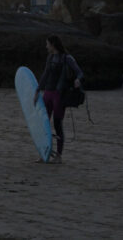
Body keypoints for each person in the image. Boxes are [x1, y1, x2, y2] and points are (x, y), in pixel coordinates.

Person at [33, 35, 83, 164]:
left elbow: (79, 72)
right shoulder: (50, 58)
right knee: (43, 125)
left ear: (53, 44)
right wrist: (38, 90)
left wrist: (78, 79)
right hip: (48, 94)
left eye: (47, 44)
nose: (46, 46)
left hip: (59, 95)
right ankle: (44, 153)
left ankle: (59, 156)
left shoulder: (67, 58)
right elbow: (45, 74)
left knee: (57, 124)